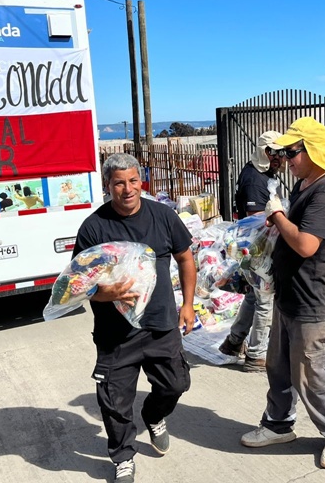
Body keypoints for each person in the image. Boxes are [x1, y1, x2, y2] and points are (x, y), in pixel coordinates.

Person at [73, 153, 197, 483]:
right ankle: (123, 456)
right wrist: (107, 294)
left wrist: (188, 304)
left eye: (133, 181)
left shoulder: (163, 216)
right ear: (107, 185)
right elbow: (80, 284)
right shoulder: (94, 227)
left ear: (141, 181)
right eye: (119, 183)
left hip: (161, 325)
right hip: (116, 334)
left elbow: (186, 258)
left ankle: (154, 415)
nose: (127, 189)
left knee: (176, 384)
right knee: (114, 402)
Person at [240, 117, 325, 470]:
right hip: (290, 294)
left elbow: (305, 244)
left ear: (313, 150)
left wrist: (276, 214)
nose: (285, 158)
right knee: (278, 366)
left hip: (315, 301)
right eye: (284, 152)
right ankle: (278, 424)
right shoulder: (306, 183)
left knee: (311, 374)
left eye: (292, 152)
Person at [219, 130, 284, 372]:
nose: (278, 157)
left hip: (256, 248)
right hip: (258, 250)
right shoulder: (254, 179)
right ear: (262, 151)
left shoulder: (262, 173)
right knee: (265, 300)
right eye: (272, 151)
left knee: (254, 295)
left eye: (281, 152)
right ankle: (256, 355)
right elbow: (256, 220)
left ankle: (233, 342)